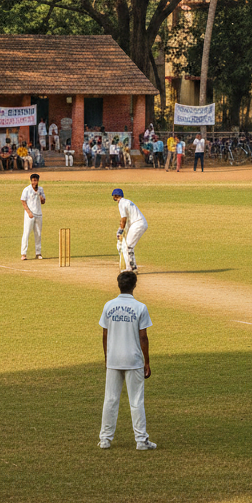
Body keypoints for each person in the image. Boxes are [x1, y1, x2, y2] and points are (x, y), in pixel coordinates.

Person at [98, 270, 155, 451]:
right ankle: (141, 440)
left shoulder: (109, 306)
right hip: (133, 359)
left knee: (110, 399)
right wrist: (147, 362)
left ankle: (105, 439)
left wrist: (107, 358)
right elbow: (143, 337)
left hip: (114, 359)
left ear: (118, 285)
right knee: (136, 401)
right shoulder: (140, 307)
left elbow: (105, 334)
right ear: (134, 286)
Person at [113, 188, 147, 272]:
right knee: (129, 246)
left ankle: (130, 268)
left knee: (127, 246)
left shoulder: (121, 203)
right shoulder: (127, 201)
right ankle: (133, 267)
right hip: (141, 223)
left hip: (137, 224)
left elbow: (123, 219)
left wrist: (120, 230)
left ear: (114, 196)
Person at [20, 173, 46, 260]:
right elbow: (23, 201)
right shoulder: (27, 190)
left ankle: (38, 253)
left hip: (39, 214)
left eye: (36, 180)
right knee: (26, 233)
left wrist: (42, 198)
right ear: (31, 181)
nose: (34, 182)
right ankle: (23, 254)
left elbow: (43, 202)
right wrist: (28, 212)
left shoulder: (40, 189)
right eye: (33, 180)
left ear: (38, 181)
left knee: (38, 234)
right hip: (29, 215)